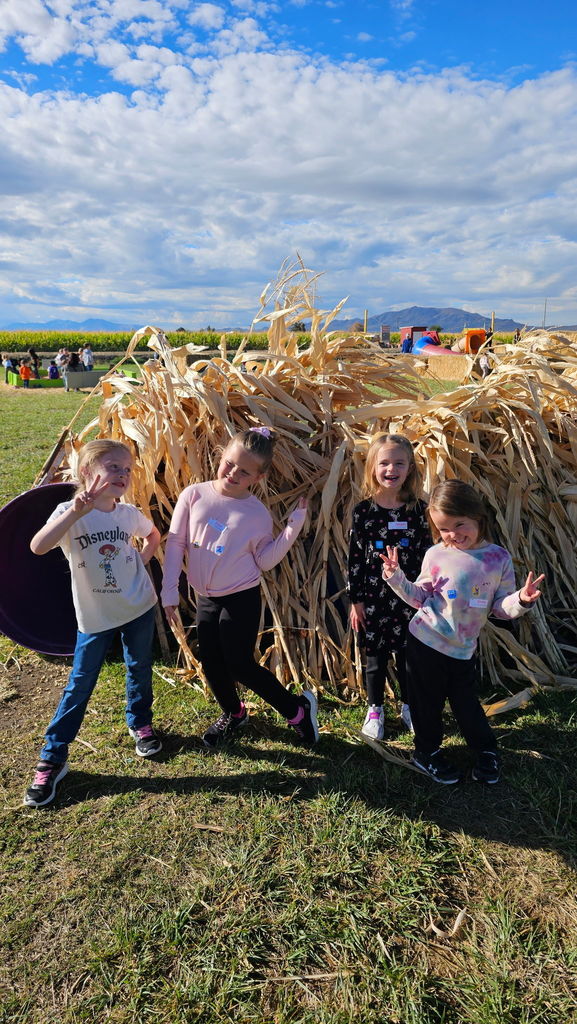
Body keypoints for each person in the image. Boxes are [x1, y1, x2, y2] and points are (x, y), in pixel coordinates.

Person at [23, 440, 162, 808]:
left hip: (137, 605)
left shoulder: (127, 513)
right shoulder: (68, 511)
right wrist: (75, 514)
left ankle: (140, 722)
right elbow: (38, 546)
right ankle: (53, 759)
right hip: (95, 617)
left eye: (127, 469)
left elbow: (152, 535)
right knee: (80, 683)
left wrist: (141, 560)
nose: (122, 474)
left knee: (139, 667)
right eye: (113, 466)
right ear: (86, 472)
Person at [161, 426, 319, 749]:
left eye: (244, 471)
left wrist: (292, 528)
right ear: (222, 455)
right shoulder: (194, 495)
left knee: (239, 664)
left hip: (241, 597)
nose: (233, 472)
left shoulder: (256, 514)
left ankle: (297, 711)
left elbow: (264, 560)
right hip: (205, 596)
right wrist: (168, 590)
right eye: (230, 463)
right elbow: (176, 543)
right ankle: (234, 713)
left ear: (257, 478)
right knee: (211, 663)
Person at [380, 480, 544, 785]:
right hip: (425, 641)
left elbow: (499, 609)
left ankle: (486, 751)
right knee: (425, 703)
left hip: (462, 649)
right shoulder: (436, 555)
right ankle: (426, 752)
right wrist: (395, 578)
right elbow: (419, 598)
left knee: (466, 704)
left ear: (477, 517)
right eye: (444, 529)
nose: (453, 535)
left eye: (460, 525)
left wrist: (521, 600)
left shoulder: (498, 559)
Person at [348, 434, 430, 740]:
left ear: (410, 468)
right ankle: (375, 709)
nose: (391, 469)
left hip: (410, 598)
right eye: (384, 462)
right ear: (372, 468)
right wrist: (356, 600)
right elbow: (354, 558)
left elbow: (427, 555)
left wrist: (426, 595)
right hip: (373, 597)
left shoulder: (419, 510)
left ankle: (409, 706)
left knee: (409, 654)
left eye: (399, 462)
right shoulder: (363, 512)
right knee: (375, 656)